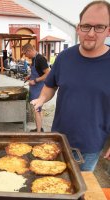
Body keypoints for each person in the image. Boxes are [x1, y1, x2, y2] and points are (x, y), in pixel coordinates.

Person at [31, 1, 110, 171]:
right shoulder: (64, 57)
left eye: (99, 27)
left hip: (91, 145)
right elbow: (50, 85)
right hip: (58, 139)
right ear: (78, 28)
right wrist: (41, 98)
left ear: (109, 30)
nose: (90, 33)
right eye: (86, 26)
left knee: (79, 189)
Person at [22, 43, 50, 133]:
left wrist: (35, 80)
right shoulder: (34, 59)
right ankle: (39, 128)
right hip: (34, 88)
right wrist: (29, 77)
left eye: (25, 54)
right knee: (39, 110)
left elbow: (48, 74)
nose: (25, 56)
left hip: (39, 88)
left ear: (29, 51)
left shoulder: (40, 59)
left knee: (37, 109)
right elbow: (38, 71)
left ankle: (38, 133)